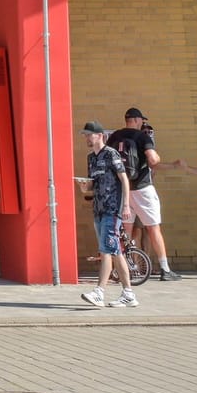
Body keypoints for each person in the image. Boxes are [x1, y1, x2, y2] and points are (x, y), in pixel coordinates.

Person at [108, 108, 181, 281]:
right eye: (141, 120)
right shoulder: (142, 137)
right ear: (135, 120)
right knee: (153, 227)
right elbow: (154, 161)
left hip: (123, 189)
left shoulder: (115, 136)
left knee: (125, 229)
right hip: (142, 188)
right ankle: (165, 269)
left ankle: (125, 267)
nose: (142, 123)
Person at [76, 121, 136, 308]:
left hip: (112, 209)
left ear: (99, 135)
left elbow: (124, 179)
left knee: (106, 250)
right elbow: (94, 183)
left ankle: (99, 292)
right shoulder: (91, 158)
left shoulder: (111, 154)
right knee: (114, 251)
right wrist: (86, 186)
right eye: (85, 135)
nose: (86, 138)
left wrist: (126, 205)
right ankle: (128, 293)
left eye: (89, 134)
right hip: (99, 209)